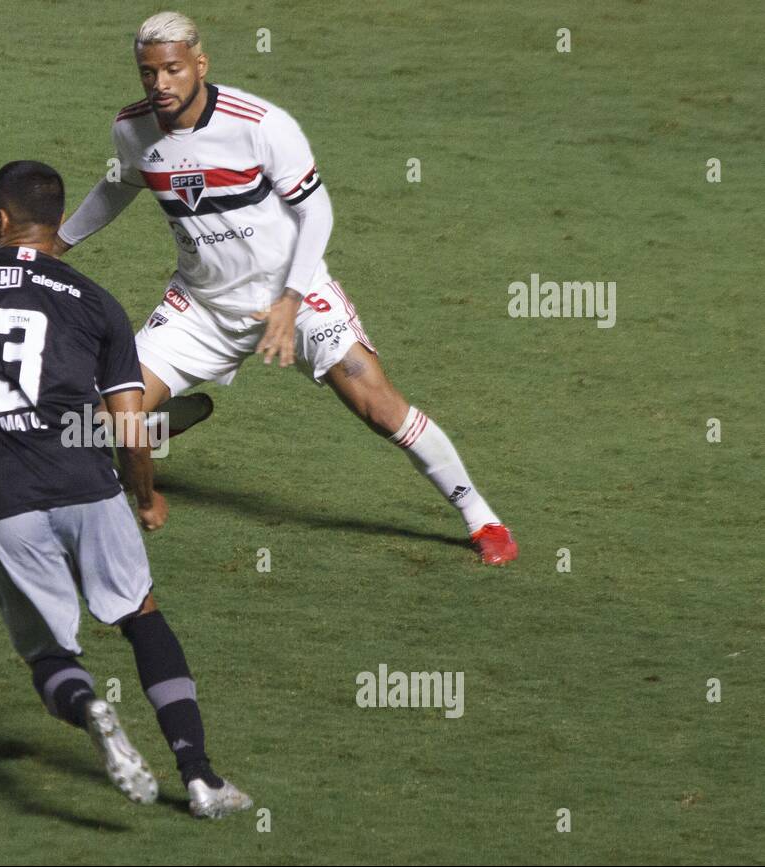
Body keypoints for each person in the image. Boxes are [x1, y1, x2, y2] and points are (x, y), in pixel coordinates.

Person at [55, 12, 519, 565]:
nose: (160, 84)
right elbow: (118, 187)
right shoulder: (132, 129)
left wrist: (291, 300)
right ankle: (155, 423)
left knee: (378, 406)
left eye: (173, 70)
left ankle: (482, 520)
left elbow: (316, 212)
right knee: (98, 423)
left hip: (294, 296)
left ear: (200, 66)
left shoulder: (260, 125)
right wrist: (57, 245)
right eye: (147, 73)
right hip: (200, 308)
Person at [0, 160, 251, 819]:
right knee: (140, 614)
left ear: (1, 219)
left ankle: (89, 707)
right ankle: (200, 776)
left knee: (51, 652)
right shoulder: (95, 302)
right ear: (57, 224)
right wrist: (143, 495)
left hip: (0, 505)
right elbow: (130, 422)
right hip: (88, 487)